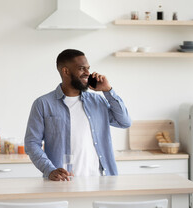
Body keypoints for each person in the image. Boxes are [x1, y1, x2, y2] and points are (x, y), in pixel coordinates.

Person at [25, 49, 131, 181]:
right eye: (82, 68)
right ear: (66, 71)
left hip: (101, 180)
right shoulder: (43, 104)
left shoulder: (98, 101)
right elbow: (31, 143)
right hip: (62, 181)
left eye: (88, 68)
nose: (88, 73)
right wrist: (49, 169)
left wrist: (108, 90)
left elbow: (124, 122)